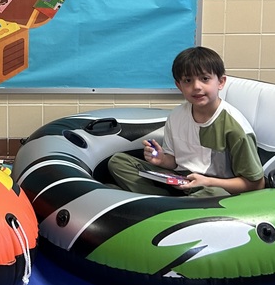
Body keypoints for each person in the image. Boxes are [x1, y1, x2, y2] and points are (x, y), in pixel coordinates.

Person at [107, 46, 265, 198]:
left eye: (205, 79)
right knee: (118, 162)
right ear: (179, 86)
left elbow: (257, 184)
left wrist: (209, 182)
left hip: (212, 187)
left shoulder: (235, 127)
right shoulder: (176, 116)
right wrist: (161, 159)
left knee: (214, 194)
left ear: (221, 82)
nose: (196, 87)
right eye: (188, 80)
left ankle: (163, 204)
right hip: (179, 181)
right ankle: (169, 203)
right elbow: (175, 162)